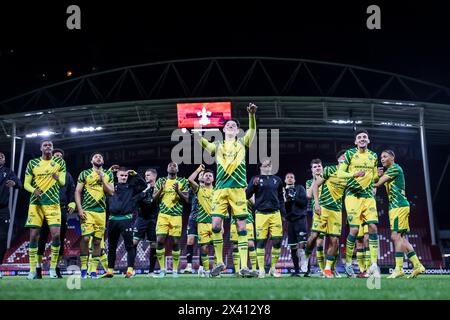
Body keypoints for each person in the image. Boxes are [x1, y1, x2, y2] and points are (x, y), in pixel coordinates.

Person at [195, 103, 257, 277]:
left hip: (237, 189)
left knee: (241, 227)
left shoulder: (242, 143)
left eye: (234, 125)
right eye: (228, 125)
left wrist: (251, 115)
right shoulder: (218, 145)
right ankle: (220, 262)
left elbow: (252, 131)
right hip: (220, 190)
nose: (231, 126)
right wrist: (198, 134)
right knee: (215, 226)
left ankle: (244, 266)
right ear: (223, 129)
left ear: (237, 131)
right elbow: (205, 144)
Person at [374, 150, 425, 278]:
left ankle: (399, 268)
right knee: (401, 238)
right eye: (381, 157)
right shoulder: (390, 171)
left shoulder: (395, 168)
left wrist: (367, 178)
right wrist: (379, 175)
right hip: (395, 207)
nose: (382, 159)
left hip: (399, 207)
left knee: (395, 236)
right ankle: (418, 265)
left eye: (385, 156)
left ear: (392, 157)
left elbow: (377, 184)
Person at [337, 129, 380, 277]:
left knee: (373, 227)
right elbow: (340, 173)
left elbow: (374, 177)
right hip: (352, 196)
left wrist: (377, 176)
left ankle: (374, 263)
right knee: (354, 231)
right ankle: (348, 262)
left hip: (368, 196)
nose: (362, 139)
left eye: (364, 137)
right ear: (355, 141)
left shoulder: (374, 156)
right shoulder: (349, 154)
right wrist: (353, 174)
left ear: (368, 140)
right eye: (359, 137)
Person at [24, 140, 66, 279]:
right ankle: (32, 270)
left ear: (52, 149)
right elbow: (26, 184)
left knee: (56, 235)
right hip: (36, 203)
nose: (48, 147)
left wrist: (57, 178)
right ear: (41, 148)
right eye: (45, 145)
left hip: (53, 203)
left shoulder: (59, 163)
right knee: (33, 236)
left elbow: (63, 182)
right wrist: (34, 190)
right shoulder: (32, 163)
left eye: (50, 145)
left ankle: (53, 268)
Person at [36, 148, 75, 279]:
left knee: (60, 239)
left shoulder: (67, 176)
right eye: (56, 155)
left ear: (62, 159)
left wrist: (72, 202)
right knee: (42, 238)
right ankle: (37, 269)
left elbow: (72, 191)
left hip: (61, 209)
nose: (58, 157)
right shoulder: (44, 172)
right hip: (46, 208)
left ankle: (56, 268)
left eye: (60, 156)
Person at [75, 152, 114, 278]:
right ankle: (83, 267)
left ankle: (92, 270)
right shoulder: (84, 173)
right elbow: (77, 191)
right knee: (86, 239)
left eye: (101, 157)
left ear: (103, 161)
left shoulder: (108, 174)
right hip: (87, 211)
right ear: (91, 160)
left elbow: (111, 192)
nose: (98, 158)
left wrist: (102, 178)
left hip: (101, 212)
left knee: (97, 242)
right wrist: (79, 209)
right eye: (96, 156)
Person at [312, 150, 349, 278]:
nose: (344, 159)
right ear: (338, 159)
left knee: (335, 241)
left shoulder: (349, 175)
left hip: (337, 211)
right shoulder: (329, 170)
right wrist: (317, 203)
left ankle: (328, 269)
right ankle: (310, 264)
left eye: (346, 158)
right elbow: (316, 185)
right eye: (342, 157)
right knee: (318, 239)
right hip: (323, 209)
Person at [246, 158, 286, 278]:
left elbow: (280, 198)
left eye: (270, 163)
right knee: (261, 242)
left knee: (277, 241)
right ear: (260, 167)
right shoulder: (255, 179)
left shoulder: (277, 180)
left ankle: (273, 269)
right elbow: (247, 195)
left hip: (275, 214)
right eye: (265, 164)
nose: (268, 165)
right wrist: (253, 186)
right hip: (260, 214)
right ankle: (262, 270)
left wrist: (283, 213)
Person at [104, 167, 146, 278]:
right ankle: (110, 271)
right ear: (117, 175)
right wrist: (109, 172)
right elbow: (101, 181)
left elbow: (144, 186)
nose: (123, 177)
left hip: (126, 219)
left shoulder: (131, 187)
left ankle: (129, 271)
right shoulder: (111, 186)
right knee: (111, 247)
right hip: (112, 220)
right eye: (121, 175)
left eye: (125, 176)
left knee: (130, 246)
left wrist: (136, 174)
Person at [153, 162, 189, 278]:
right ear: (167, 168)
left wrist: (178, 191)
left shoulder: (182, 181)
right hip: (163, 214)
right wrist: (161, 189)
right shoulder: (160, 181)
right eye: (170, 165)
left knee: (175, 242)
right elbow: (153, 198)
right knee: (159, 240)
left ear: (177, 169)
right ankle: (162, 269)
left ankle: (174, 270)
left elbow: (187, 199)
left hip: (176, 215)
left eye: (174, 166)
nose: (172, 166)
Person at [187, 165, 215, 277]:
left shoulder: (217, 191)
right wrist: (199, 170)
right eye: (205, 175)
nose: (207, 177)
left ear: (213, 179)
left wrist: (221, 223)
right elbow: (190, 180)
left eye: (210, 175)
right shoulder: (198, 189)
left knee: (216, 246)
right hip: (200, 221)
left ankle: (216, 268)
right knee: (203, 247)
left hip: (215, 222)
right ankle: (204, 269)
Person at [133, 168, 159, 276]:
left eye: (148, 175)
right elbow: (135, 199)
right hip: (141, 218)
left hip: (153, 220)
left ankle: (151, 271)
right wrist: (144, 190)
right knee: (133, 243)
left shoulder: (159, 189)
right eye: (145, 175)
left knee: (154, 245)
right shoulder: (141, 188)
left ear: (154, 176)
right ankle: (131, 268)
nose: (146, 177)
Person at [0, 152, 22, 279]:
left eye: (2, 156)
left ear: (4, 160)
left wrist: (14, 184)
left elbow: (19, 183)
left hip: (3, 210)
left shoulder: (8, 172)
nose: (0, 158)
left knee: (2, 239)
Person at [284, 172, 308, 277]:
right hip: (290, 221)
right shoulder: (283, 191)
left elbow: (304, 202)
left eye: (292, 177)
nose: (290, 179)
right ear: (285, 180)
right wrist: (287, 199)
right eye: (288, 177)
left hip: (300, 220)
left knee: (303, 244)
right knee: (293, 246)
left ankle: (306, 270)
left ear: (294, 180)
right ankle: (297, 271)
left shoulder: (300, 188)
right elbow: (283, 205)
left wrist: (294, 197)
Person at [304, 159, 325, 277]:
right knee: (314, 236)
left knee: (322, 243)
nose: (317, 168)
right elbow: (308, 195)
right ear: (312, 170)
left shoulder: (327, 179)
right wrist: (315, 180)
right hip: (317, 213)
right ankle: (305, 257)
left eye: (319, 166)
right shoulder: (309, 182)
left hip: (330, 212)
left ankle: (324, 270)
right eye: (315, 167)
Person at [182, 170, 204, 274]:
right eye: (201, 175)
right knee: (190, 241)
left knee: (203, 243)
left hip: (204, 219)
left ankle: (201, 266)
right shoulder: (193, 188)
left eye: (204, 175)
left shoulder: (211, 189)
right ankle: (189, 266)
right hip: (193, 218)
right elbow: (187, 199)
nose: (202, 176)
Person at [230, 198, 258, 277]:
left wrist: (248, 193)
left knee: (251, 244)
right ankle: (237, 271)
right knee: (235, 245)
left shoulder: (249, 190)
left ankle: (254, 269)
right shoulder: (232, 190)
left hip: (248, 220)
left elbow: (255, 204)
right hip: (234, 221)